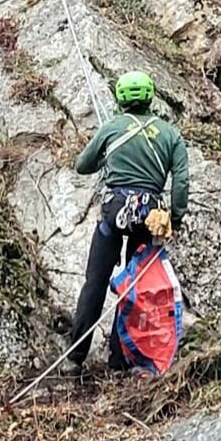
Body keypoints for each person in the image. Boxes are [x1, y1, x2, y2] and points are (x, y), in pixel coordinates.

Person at [70, 70, 189, 369]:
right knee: (134, 285)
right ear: (151, 97)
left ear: (119, 98)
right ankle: (118, 359)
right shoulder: (170, 134)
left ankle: (75, 356)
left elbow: (82, 166)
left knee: (95, 281)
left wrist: (106, 156)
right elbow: (181, 182)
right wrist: (174, 216)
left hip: (115, 210)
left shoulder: (112, 128)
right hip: (150, 216)